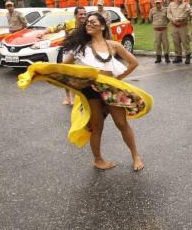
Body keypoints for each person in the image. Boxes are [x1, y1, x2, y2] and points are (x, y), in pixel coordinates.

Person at [60, 12, 144, 171]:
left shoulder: (114, 45)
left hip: (110, 88)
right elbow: (64, 67)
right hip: (90, 90)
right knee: (97, 126)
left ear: (103, 26)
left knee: (121, 123)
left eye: (92, 22)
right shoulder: (81, 47)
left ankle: (135, 156)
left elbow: (134, 62)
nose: (88, 24)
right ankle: (98, 160)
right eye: (86, 23)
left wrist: (118, 79)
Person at [167, 0, 191, 64]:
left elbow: (186, 13)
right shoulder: (171, 4)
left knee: (185, 42)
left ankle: (187, 57)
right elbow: (168, 13)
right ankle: (178, 57)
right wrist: (172, 19)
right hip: (174, 26)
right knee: (176, 42)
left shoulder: (186, 4)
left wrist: (178, 19)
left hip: (182, 27)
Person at [149, 0, 170, 64]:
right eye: (156, 3)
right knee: (157, 44)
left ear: (161, 2)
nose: (158, 4)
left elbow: (168, 19)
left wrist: (164, 23)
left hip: (164, 29)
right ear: (155, 3)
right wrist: (156, 24)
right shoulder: (152, 10)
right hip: (156, 30)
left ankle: (167, 57)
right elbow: (150, 19)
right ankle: (158, 57)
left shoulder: (165, 10)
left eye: (159, 3)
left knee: (165, 43)